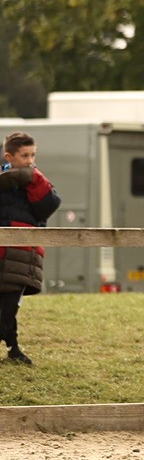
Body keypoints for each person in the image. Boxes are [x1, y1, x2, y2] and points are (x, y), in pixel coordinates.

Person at [0, 132, 62, 365]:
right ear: (9, 156)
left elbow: (48, 207)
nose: (30, 160)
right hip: (1, 253)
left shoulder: (36, 181)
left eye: (33, 155)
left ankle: (12, 348)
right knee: (3, 305)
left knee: (9, 307)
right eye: (24, 155)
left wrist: (34, 180)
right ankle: (13, 349)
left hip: (23, 256)